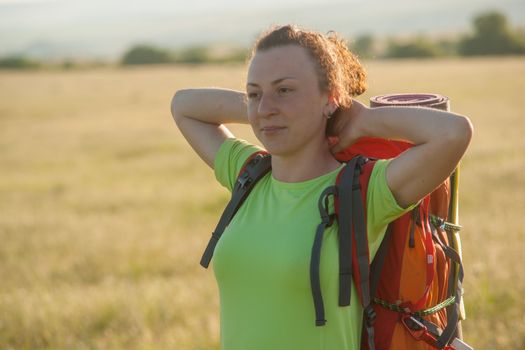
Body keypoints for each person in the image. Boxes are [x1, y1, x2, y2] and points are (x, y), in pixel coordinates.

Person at [170, 25, 473, 350]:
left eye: (285, 90)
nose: (264, 107)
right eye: (254, 93)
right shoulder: (248, 173)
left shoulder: (363, 191)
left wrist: (361, 120)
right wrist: (267, 108)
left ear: (330, 99)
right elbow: (183, 105)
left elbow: (453, 133)